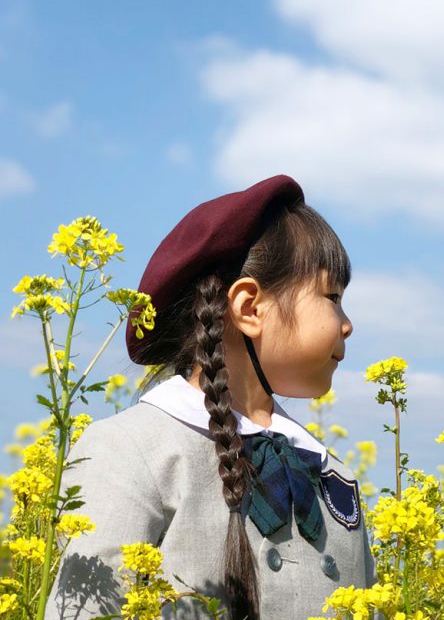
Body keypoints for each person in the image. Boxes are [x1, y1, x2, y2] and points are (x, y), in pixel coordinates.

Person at [45, 175, 375, 620]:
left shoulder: (331, 472)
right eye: (332, 297)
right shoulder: (132, 452)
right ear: (250, 308)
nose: (347, 323)